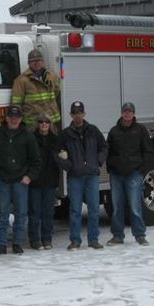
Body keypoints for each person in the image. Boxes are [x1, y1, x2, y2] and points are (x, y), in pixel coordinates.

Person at [0, 106, 41, 256]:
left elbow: (36, 160)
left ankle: (17, 243)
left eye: (17, 117)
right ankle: (2, 244)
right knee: (2, 214)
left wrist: (29, 177)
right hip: (2, 179)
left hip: (20, 180)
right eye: (11, 117)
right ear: (7, 118)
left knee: (21, 214)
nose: (14, 119)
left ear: (21, 119)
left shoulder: (28, 136)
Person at [55, 101, 107, 250]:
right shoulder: (65, 134)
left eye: (80, 112)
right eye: (74, 113)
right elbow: (57, 153)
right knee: (75, 210)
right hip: (75, 177)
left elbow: (104, 147)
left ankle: (93, 240)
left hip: (91, 175)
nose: (77, 115)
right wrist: (69, 167)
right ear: (71, 115)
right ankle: (75, 240)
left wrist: (98, 161)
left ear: (84, 114)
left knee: (94, 209)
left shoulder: (93, 130)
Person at [106, 102, 154, 246]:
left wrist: (141, 170)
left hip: (134, 173)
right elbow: (108, 152)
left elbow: (148, 151)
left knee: (135, 206)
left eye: (130, 111)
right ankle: (117, 236)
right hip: (116, 175)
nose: (127, 114)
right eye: (125, 111)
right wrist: (111, 167)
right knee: (116, 207)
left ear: (134, 114)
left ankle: (139, 235)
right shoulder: (114, 131)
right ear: (121, 113)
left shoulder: (140, 130)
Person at [28, 113, 60, 250]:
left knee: (48, 212)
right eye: (41, 122)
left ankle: (47, 239)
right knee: (34, 212)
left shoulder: (56, 140)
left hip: (50, 181)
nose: (44, 124)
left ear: (50, 124)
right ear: (37, 123)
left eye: (47, 122)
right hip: (35, 181)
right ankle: (34, 240)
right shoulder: (31, 139)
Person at [11, 49, 61, 131]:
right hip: (33, 123)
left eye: (38, 60)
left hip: (51, 121)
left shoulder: (52, 76)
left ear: (42, 61)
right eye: (32, 61)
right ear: (28, 63)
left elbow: (56, 94)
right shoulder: (21, 80)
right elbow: (16, 103)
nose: (36, 63)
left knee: (52, 143)